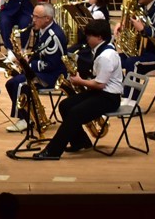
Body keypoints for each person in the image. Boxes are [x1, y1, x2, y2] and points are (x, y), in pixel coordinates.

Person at [31, 20, 124, 159]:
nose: (87, 39)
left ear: (99, 37)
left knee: (75, 113)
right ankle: (80, 141)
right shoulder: (102, 49)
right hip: (101, 93)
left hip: (109, 97)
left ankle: (52, 151)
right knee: (65, 105)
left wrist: (80, 81)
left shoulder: (106, 56)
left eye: (89, 36)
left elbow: (100, 84)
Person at [4, 2, 66, 132]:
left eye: (37, 17)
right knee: (11, 83)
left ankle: (25, 120)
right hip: (43, 72)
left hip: (54, 76)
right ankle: (30, 115)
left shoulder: (53, 36)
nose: (33, 20)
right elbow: (39, 53)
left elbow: (51, 65)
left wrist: (29, 65)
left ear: (47, 18)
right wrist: (25, 60)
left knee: (19, 84)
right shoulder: (42, 30)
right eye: (33, 16)